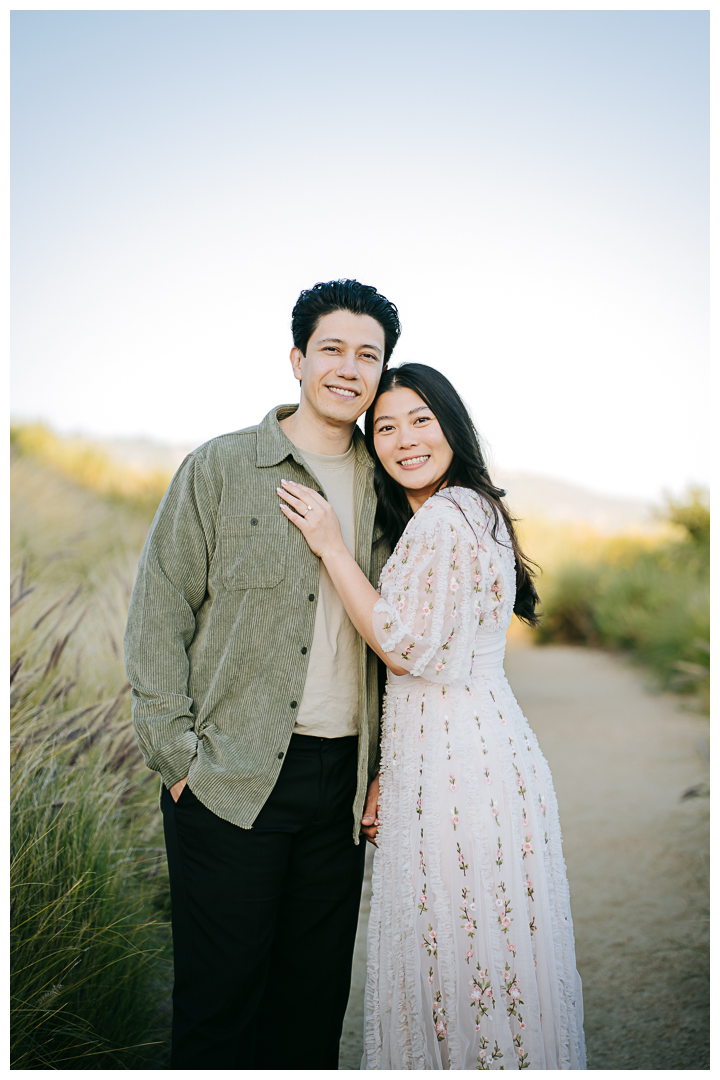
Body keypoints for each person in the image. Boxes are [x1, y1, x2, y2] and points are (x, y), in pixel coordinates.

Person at [124, 279, 401, 1069]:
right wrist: (177, 761)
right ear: (297, 360)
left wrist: (383, 770)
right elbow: (159, 613)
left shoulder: (391, 490)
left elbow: (404, 638)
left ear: (381, 372)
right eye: (333, 350)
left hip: (339, 783)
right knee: (219, 1005)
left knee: (311, 1009)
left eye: (369, 355)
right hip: (230, 774)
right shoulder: (218, 469)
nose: (350, 368)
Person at [277, 362, 587, 1070]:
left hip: (459, 774)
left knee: (459, 963)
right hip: (469, 753)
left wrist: (330, 545)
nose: (403, 439)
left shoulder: (445, 519)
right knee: (487, 964)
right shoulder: (473, 507)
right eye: (384, 427)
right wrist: (387, 771)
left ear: (452, 424)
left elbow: (402, 646)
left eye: (420, 419)